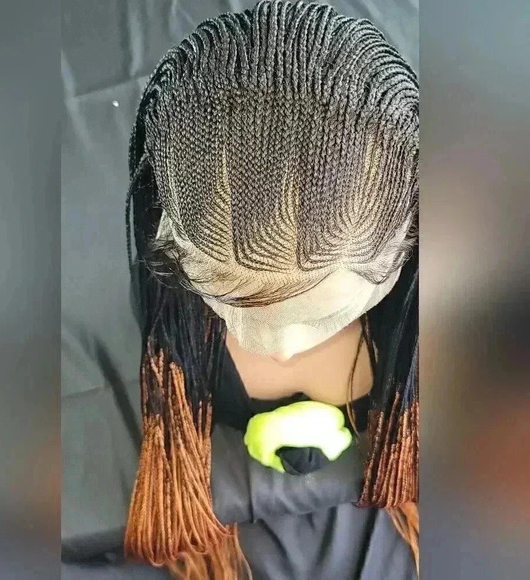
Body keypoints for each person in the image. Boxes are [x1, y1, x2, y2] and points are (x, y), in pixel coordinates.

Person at [123, 1, 418, 578]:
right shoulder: (172, 323)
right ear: (163, 233)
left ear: (406, 255)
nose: (278, 348)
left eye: (325, 314)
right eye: (226, 299)